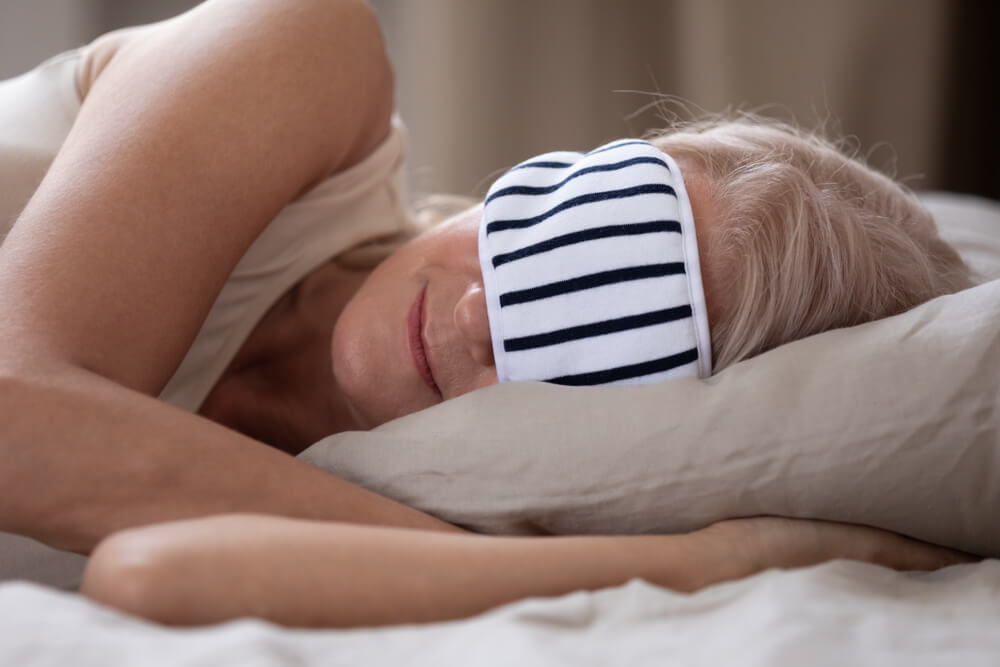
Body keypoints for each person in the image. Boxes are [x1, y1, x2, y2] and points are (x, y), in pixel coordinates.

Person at [0, 0, 975, 627]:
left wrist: (706, 563)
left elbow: (152, 574)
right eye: (557, 243)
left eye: (593, 330)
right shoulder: (299, 51)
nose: (477, 315)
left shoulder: (433, 508)